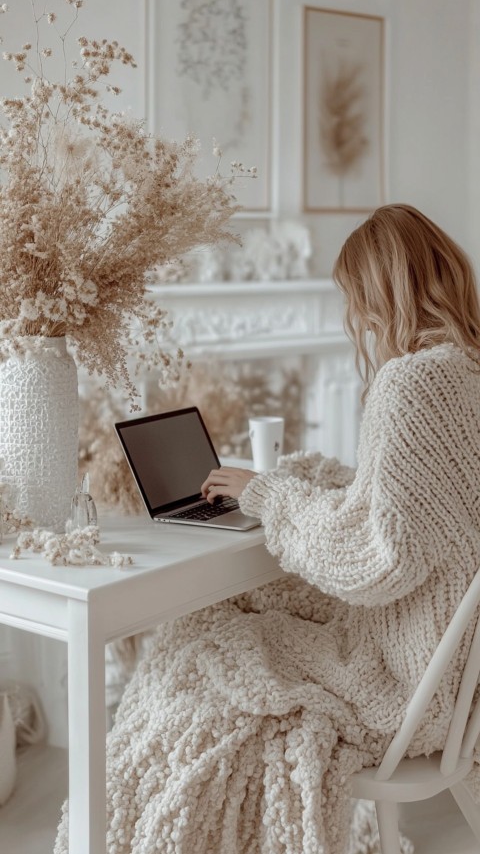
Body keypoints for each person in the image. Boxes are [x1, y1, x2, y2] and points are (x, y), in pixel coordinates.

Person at [55, 204, 480, 854]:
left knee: (201, 639)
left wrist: (268, 494)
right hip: (456, 672)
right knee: (238, 612)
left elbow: (373, 555)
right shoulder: (466, 371)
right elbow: (417, 508)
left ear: (382, 294)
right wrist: (293, 484)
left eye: (358, 304)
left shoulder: (408, 384)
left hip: (406, 677)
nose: (358, 323)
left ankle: (140, 823)